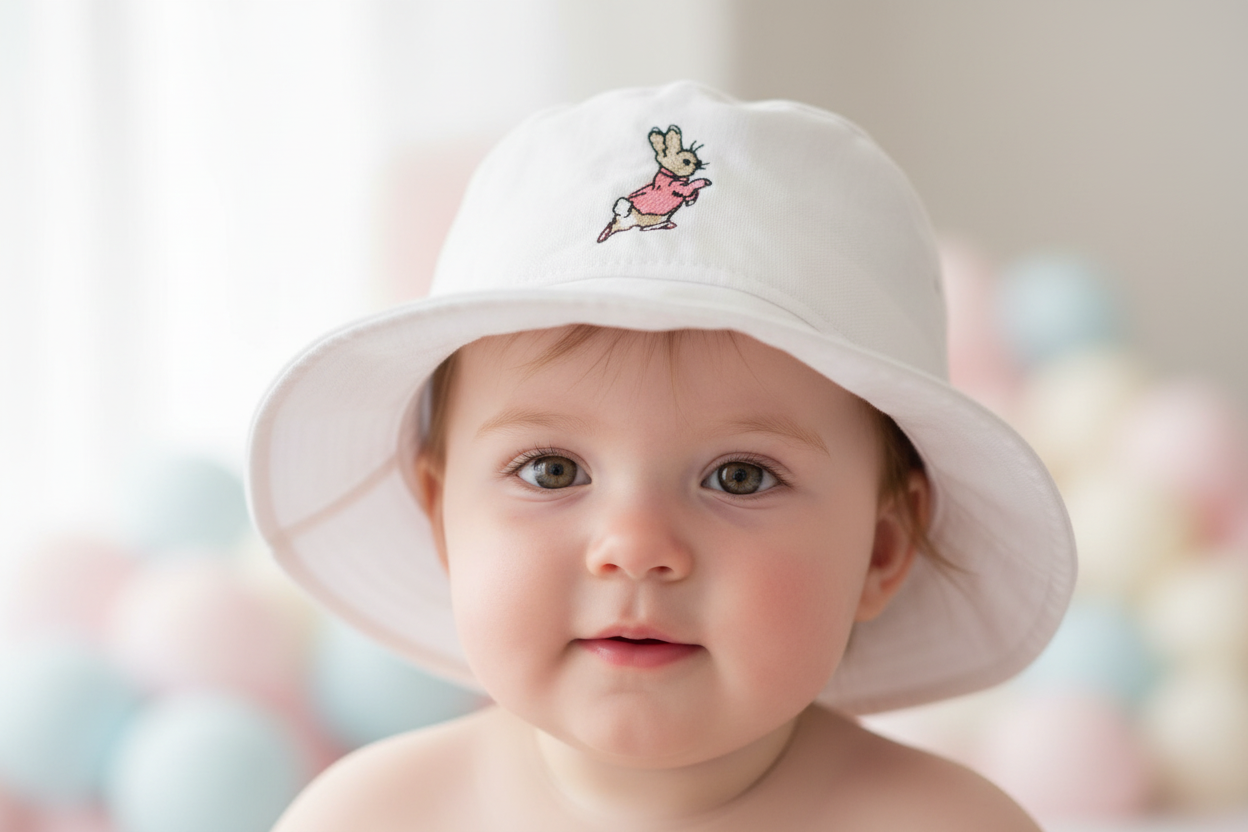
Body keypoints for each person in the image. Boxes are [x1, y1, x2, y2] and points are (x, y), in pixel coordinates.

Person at [247, 82, 1076, 830]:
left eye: (740, 476)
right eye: (552, 470)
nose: (636, 544)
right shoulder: (372, 818)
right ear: (441, 518)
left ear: (881, 550)